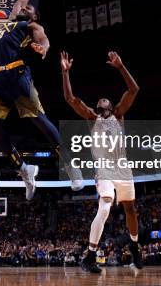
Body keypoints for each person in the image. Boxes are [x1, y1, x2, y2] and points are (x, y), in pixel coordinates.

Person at [0, 0, 83, 201]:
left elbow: (44, 40)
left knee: (40, 121)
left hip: (18, 76)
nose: (23, 8)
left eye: (29, 9)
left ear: (33, 16)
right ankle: (25, 169)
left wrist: (43, 49)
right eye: (23, 8)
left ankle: (70, 165)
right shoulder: (10, 21)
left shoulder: (31, 26)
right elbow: (19, 2)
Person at [60, 51, 142, 273]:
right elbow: (70, 99)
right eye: (100, 100)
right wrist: (65, 72)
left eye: (106, 99)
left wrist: (121, 67)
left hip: (122, 167)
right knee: (105, 206)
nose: (102, 99)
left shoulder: (120, 113)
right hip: (104, 168)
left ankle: (135, 246)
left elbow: (134, 90)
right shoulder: (91, 118)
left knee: (131, 209)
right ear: (97, 107)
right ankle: (90, 255)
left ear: (111, 104)